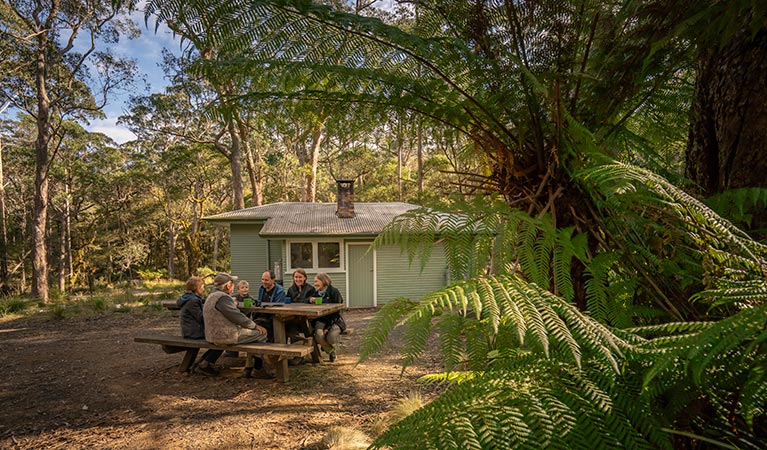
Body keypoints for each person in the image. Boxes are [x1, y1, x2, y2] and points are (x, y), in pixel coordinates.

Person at [203, 272, 270, 378]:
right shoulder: (223, 298)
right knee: (262, 333)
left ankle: (248, 367)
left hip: (212, 334)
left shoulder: (212, 296)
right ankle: (257, 368)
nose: (233, 286)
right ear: (228, 285)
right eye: (233, 284)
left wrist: (232, 303)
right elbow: (237, 316)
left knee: (252, 335)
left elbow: (226, 310)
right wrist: (254, 326)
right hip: (226, 335)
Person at [176, 276, 222, 376]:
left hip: (190, 330)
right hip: (193, 332)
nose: (203, 289)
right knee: (222, 339)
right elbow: (201, 318)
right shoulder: (193, 301)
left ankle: (203, 362)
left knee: (220, 337)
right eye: (202, 286)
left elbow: (202, 303)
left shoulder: (190, 298)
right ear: (197, 288)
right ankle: (204, 364)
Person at [310, 272, 346, 362]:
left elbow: (338, 310)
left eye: (317, 281)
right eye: (314, 282)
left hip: (334, 320)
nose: (315, 284)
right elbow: (306, 300)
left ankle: (326, 345)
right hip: (321, 320)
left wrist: (328, 327)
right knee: (318, 335)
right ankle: (331, 351)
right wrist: (310, 300)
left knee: (331, 338)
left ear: (323, 281)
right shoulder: (316, 293)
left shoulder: (334, 291)